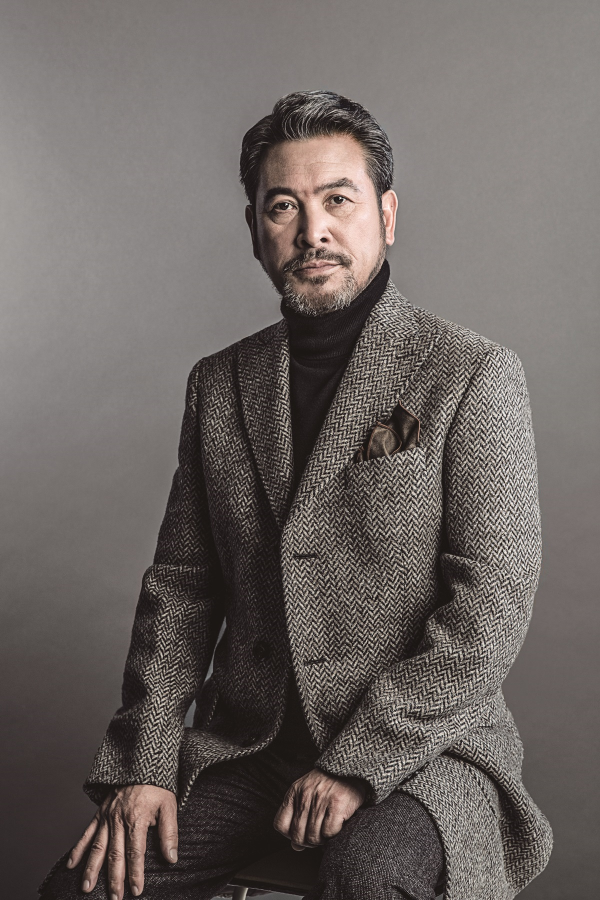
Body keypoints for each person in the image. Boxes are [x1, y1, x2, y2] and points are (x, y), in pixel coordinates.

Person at [39, 90, 553, 900]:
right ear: (255, 230)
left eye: (337, 201)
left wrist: (359, 762)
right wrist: (146, 763)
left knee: (369, 876)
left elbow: (490, 607)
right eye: (284, 206)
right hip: (254, 747)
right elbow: (182, 588)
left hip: (427, 748)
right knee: (88, 889)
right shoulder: (220, 383)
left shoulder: (472, 373)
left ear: (387, 215)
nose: (312, 231)